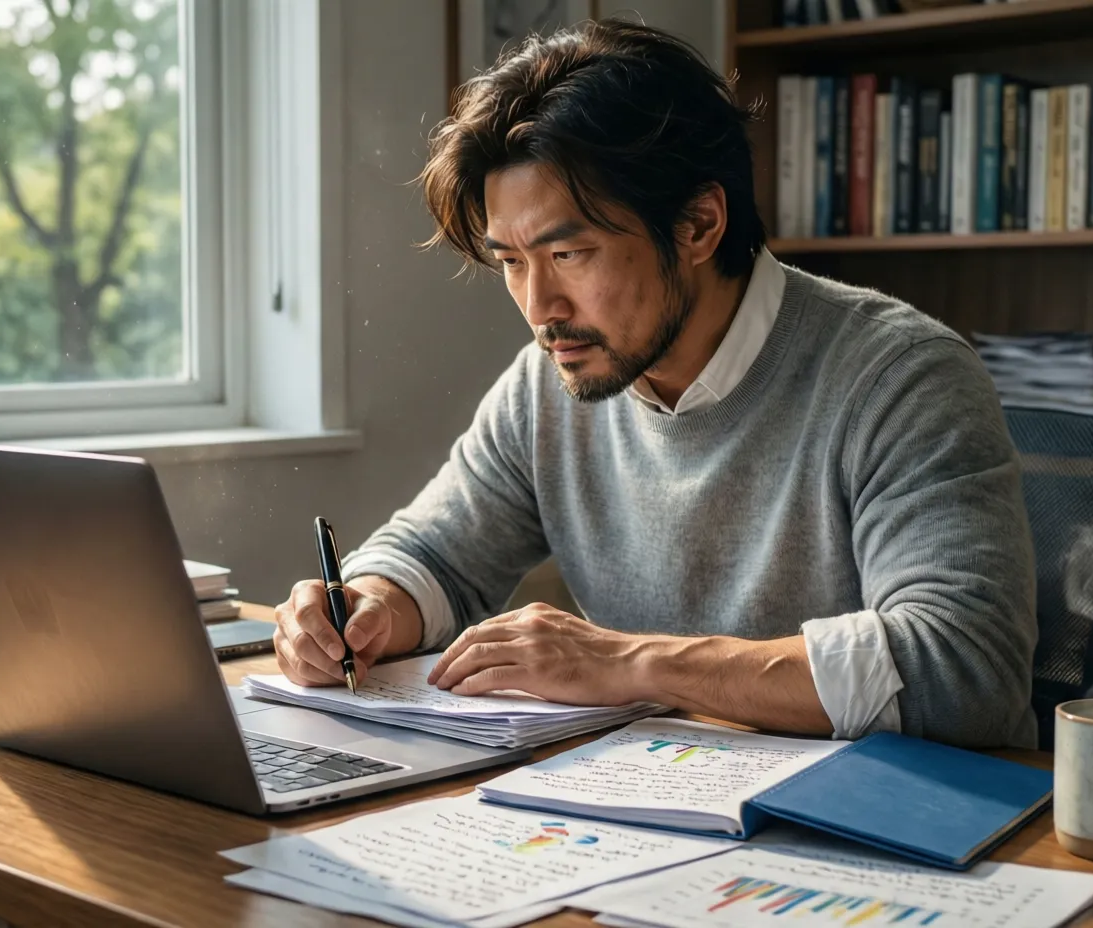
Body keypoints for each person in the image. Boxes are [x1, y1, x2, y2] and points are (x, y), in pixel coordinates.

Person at [273, 20, 1037, 748]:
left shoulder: (900, 377)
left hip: (881, 841)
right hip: (649, 816)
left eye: (569, 254)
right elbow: (437, 557)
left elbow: (965, 671)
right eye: (510, 262)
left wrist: (625, 663)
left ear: (699, 224)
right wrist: (365, 606)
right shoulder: (550, 383)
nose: (539, 309)